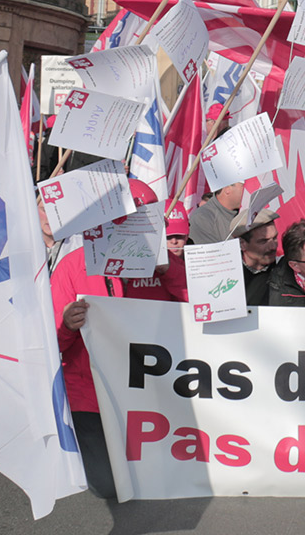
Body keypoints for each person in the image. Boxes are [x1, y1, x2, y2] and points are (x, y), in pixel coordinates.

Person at [51, 178, 162, 499]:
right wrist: (67, 325)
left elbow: (191, 313)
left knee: (157, 475)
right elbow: (52, 347)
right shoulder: (71, 268)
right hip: (90, 395)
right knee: (110, 486)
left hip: (144, 391)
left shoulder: (159, 267)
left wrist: (170, 272)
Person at [124, 200, 190, 302]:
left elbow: (197, 298)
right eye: (168, 237)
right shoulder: (126, 257)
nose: (174, 241)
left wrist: (169, 269)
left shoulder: (196, 263)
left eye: (179, 236)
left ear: (187, 236)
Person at [229, 209, 279, 306]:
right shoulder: (227, 275)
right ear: (242, 244)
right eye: (263, 241)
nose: (273, 247)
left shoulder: (288, 270)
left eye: (275, 238)